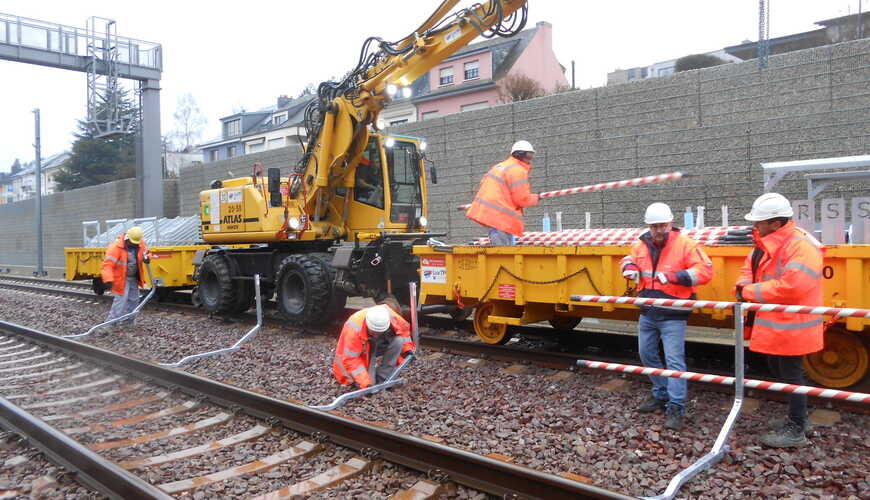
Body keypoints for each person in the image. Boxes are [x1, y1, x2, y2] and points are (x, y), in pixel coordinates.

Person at [735, 192, 823, 448]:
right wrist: (743, 286)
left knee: (792, 374)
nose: (755, 226)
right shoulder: (768, 243)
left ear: (775, 223)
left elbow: (792, 287)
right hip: (777, 324)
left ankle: (797, 428)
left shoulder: (800, 246)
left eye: (760, 222)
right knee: (782, 371)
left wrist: (748, 292)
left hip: (793, 326)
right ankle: (800, 420)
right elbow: (748, 270)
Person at [621, 202, 713, 431]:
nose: (658, 230)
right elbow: (627, 259)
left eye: (662, 225)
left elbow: (705, 271)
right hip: (648, 311)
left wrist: (674, 277)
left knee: (674, 362)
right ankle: (661, 394)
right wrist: (628, 267)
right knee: (646, 354)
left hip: (673, 314)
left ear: (671, 223)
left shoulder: (686, 245)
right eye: (653, 226)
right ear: (648, 227)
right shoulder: (641, 245)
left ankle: (676, 406)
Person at [466, 140, 540, 246]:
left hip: (492, 215)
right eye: (529, 155)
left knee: (503, 251)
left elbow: (484, 183)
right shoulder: (518, 170)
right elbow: (521, 199)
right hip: (500, 217)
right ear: (521, 155)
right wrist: (536, 198)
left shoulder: (500, 167)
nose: (530, 159)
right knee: (504, 254)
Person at [332, 304, 416, 389]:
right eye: (374, 332)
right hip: (362, 351)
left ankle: (383, 377)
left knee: (399, 341)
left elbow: (403, 329)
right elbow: (351, 359)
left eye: (379, 332)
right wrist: (365, 383)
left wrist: (408, 349)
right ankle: (371, 379)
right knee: (369, 385)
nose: (376, 335)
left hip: (376, 343)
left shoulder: (388, 315)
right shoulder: (354, 330)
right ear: (368, 325)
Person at [101, 226, 150, 326]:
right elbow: (107, 265)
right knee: (120, 302)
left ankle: (128, 322)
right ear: (127, 238)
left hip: (133, 278)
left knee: (134, 300)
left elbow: (147, 253)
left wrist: (148, 257)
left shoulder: (140, 244)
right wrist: (108, 279)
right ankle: (110, 323)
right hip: (121, 279)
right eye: (133, 242)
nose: (135, 244)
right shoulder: (115, 247)